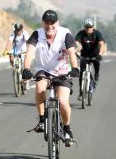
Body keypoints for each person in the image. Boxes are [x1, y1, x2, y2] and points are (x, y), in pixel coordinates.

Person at [22, 10, 79, 147]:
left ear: (57, 23)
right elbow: (29, 52)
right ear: (43, 23)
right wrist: (26, 69)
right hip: (44, 70)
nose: (49, 26)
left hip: (62, 71)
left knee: (63, 102)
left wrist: (75, 68)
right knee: (40, 87)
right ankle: (42, 120)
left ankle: (67, 129)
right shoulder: (37, 34)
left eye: (52, 23)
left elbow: (71, 51)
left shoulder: (65, 33)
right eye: (46, 23)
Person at [75, 18, 105, 100]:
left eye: (90, 27)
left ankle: (96, 78)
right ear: (84, 27)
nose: (88, 29)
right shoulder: (81, 34)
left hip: (95, 55)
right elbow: (77, 44)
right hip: (84, 56)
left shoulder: (97, 33)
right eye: (86, 27)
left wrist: (100, 54)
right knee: (82, 73)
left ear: (93, 27)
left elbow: (101, 44)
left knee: (97, 64)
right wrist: (75, 50)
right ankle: (81, 93)